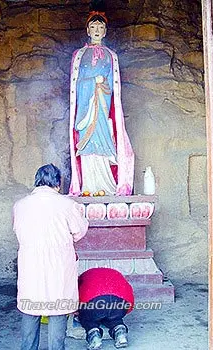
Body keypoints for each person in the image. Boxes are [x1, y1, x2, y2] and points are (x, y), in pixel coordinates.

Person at [12, 164, 88, 350]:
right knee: (58, 309)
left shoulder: (20, 205)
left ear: (37, 181)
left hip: (31, 264)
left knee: (31, 307)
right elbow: (79, 231)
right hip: (59, 264)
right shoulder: (67, 204)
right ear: (57, 183)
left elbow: (18, 231)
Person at [69, 10, 135, 197]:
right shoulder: (79, 55)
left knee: (104, 140)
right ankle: (87, 186)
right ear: (87, 30)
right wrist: (92, 82)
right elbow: (76, 83)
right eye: (93, 27)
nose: (97, 30)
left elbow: (114, 86)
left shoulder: (111, 56)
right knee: (87, 143)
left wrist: (102, 84)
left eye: (100, 27)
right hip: (86, 108)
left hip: (103, 106)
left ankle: (106, 185)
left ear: (105, 31)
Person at [77, 267, 134, 349]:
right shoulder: (114, 272)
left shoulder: (82, 278)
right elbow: (128, 291)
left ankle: (94, 336)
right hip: (121, 301)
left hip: (95, 301)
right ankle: (120, 332)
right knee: (113, 317)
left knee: (87, 319)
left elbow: (76, 297)